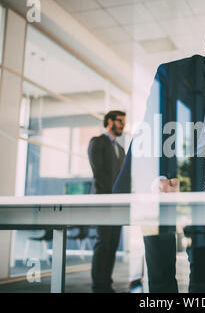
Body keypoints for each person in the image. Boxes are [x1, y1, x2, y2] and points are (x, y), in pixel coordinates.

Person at [113, 13, 205, 292]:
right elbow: (152, 130)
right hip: (165, 165)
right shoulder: (173, 74)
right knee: (161, 273)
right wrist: (159, 178)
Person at [88, 110, 126, 293]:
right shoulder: (98, 142)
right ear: (109, 121)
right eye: (119, 121)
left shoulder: (120, 149)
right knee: (103, 243)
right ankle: (98, 286)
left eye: (124, 122)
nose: (122, 125)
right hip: (103, 202)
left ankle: (106, 284)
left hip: (118, 205)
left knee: (112, 244)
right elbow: (99, 173)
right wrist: (113, 195)